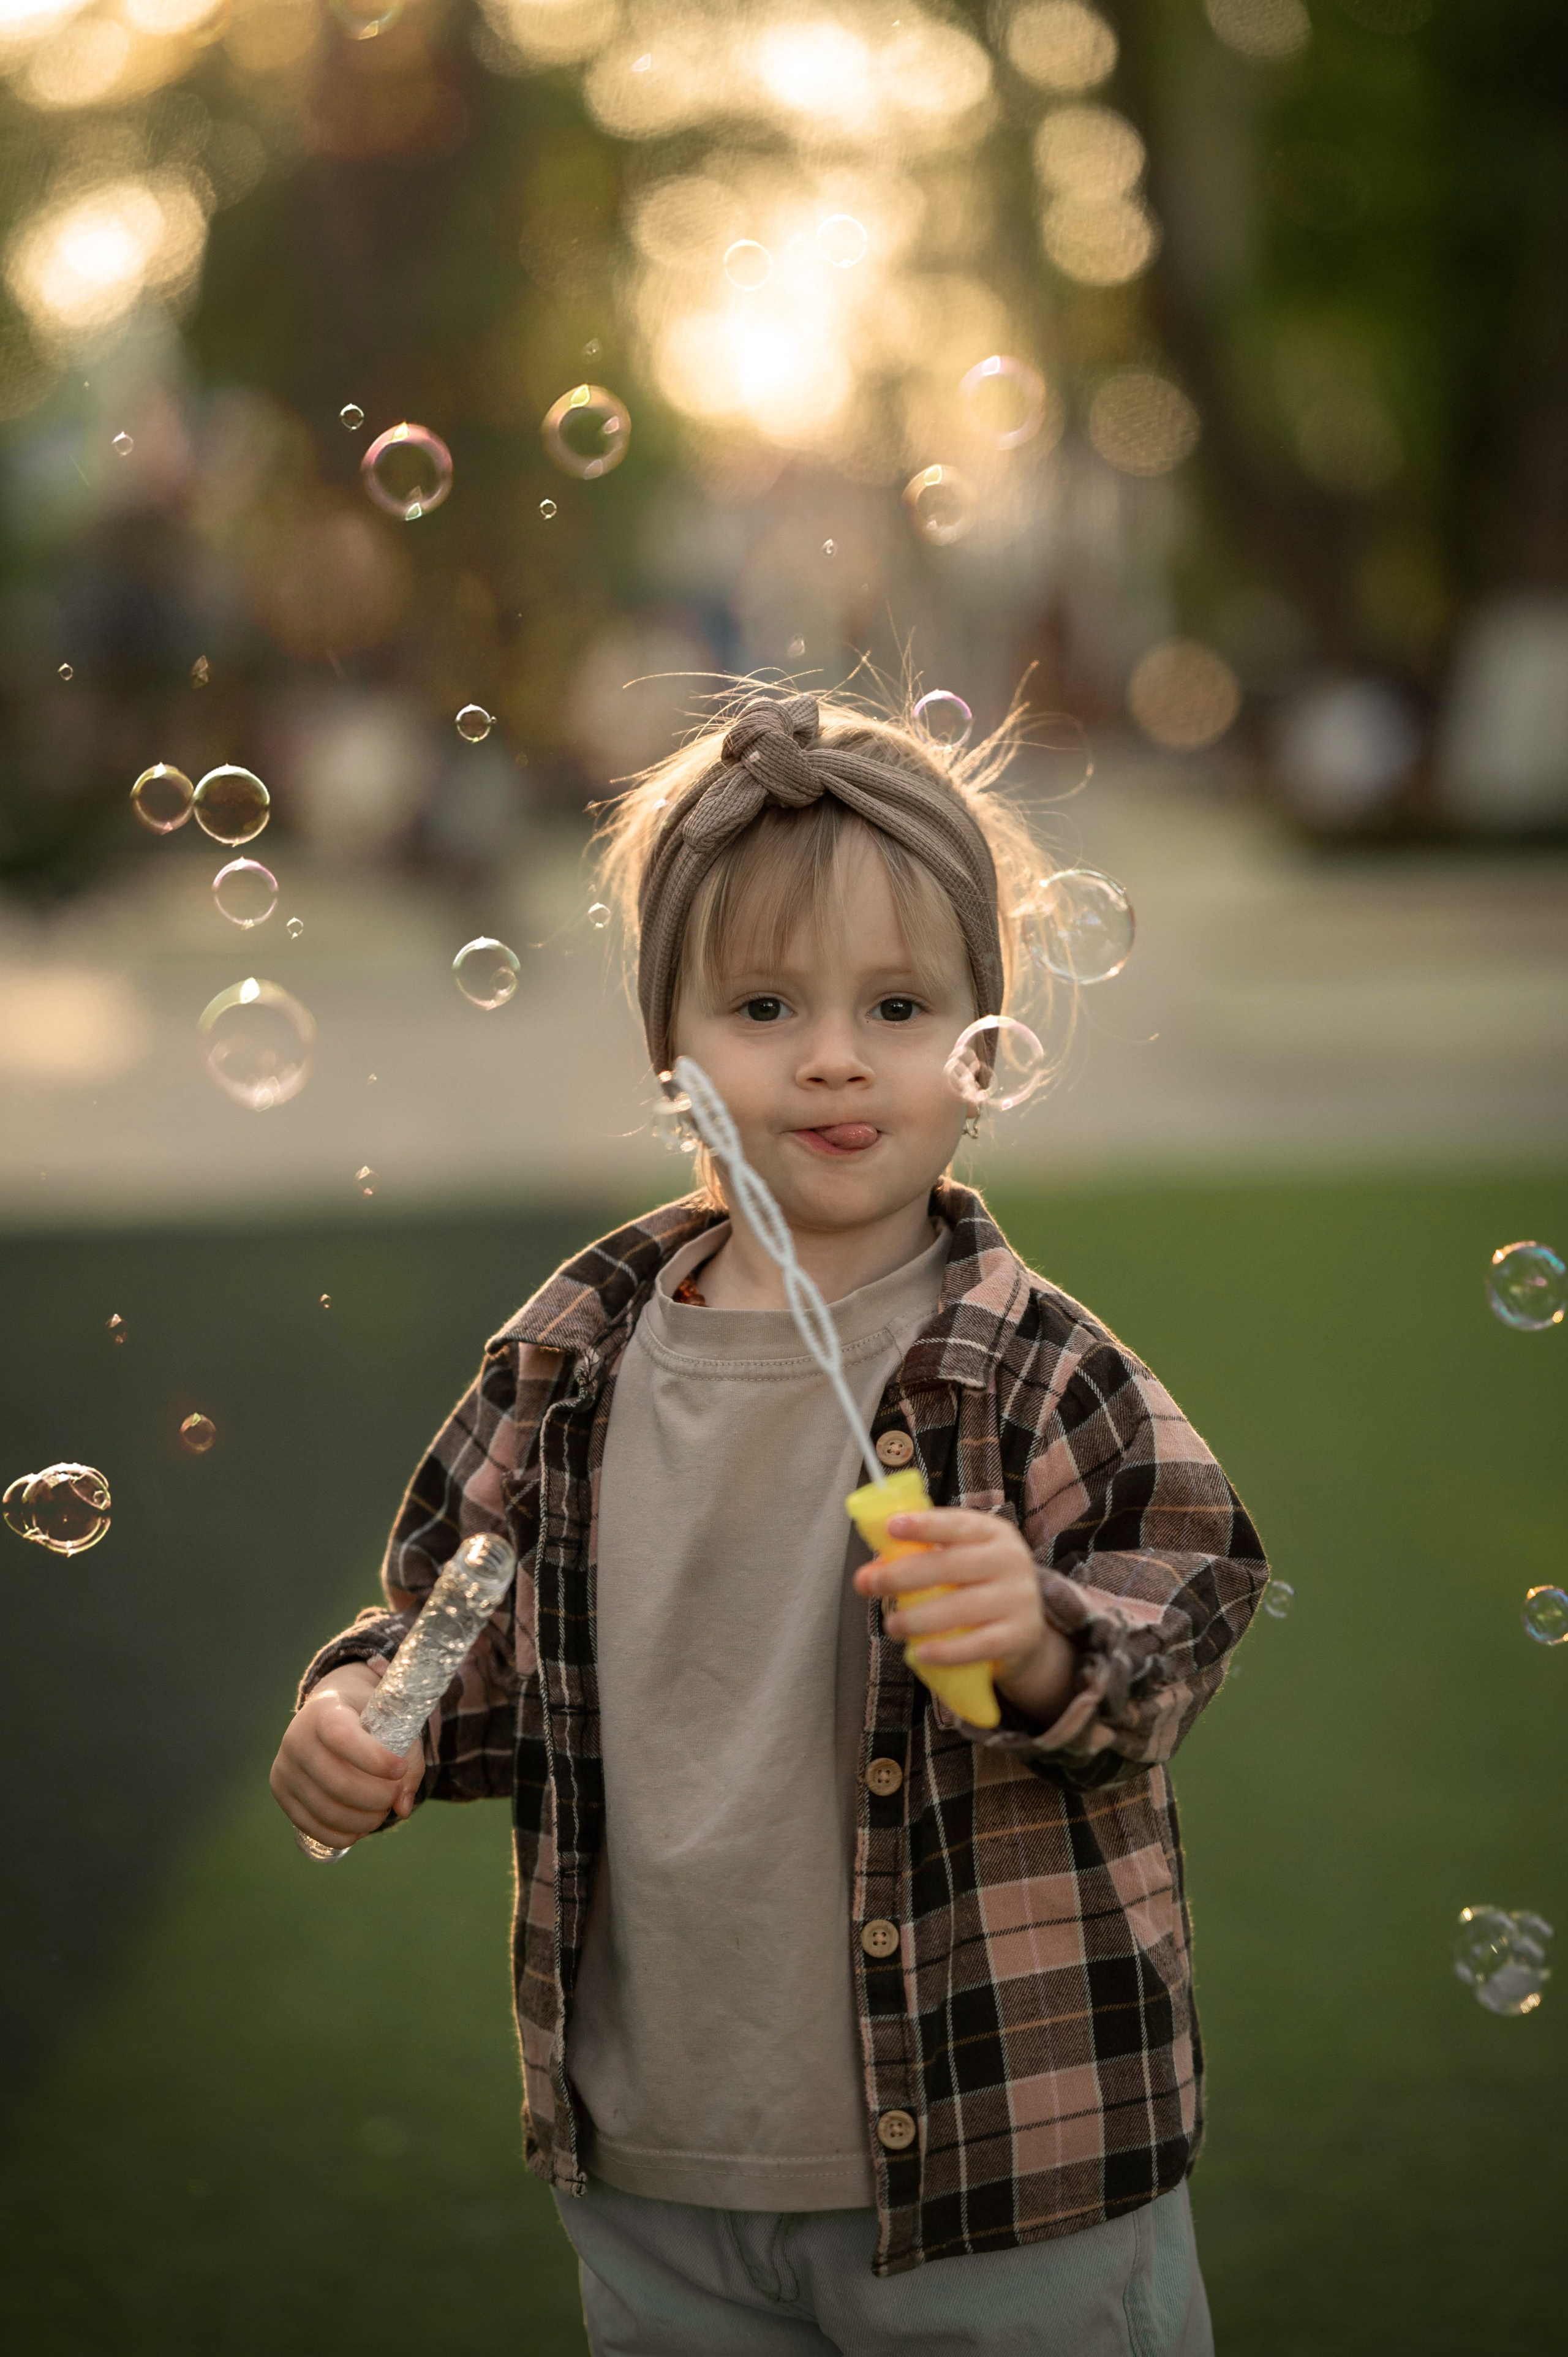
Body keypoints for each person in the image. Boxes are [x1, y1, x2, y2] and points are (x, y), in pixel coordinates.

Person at [271, 688, 1267, 2356]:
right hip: (661, 2168)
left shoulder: (1034, 1372)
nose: (828, 1054)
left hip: (1000, 2165)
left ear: (981, 1046)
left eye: (895, 1004)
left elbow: (1185, 1613)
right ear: (668, 1048)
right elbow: (454, 1624)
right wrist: (361, 1715)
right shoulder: (573, 1355)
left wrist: (1035, 1638)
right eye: (760, 1003)